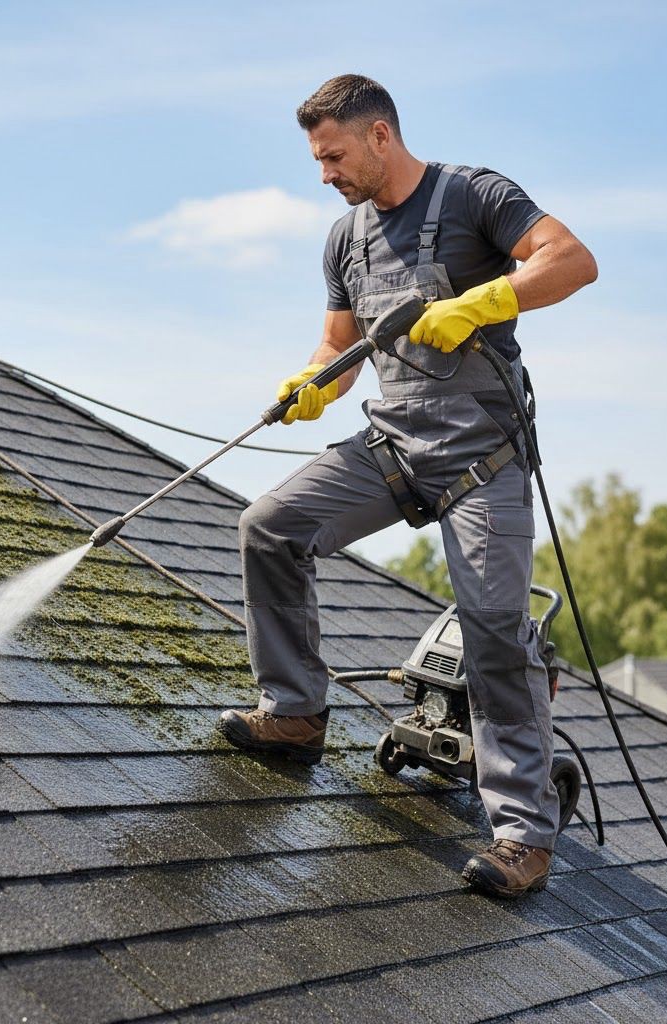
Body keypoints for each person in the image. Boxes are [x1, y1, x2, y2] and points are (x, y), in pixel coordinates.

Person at [218, 74, 597, 898]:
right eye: (317, 160)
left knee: (496, 624)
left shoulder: (474, 196)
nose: (325, 173)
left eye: (334, 156)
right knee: (270, 524)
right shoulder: (344, 239)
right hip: (394, 445)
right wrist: (314, 382)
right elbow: (336, 348)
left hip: (481, 458)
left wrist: (487, 297)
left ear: (381, 134)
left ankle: (523, 837)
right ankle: (294, 712)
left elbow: (573, 261)